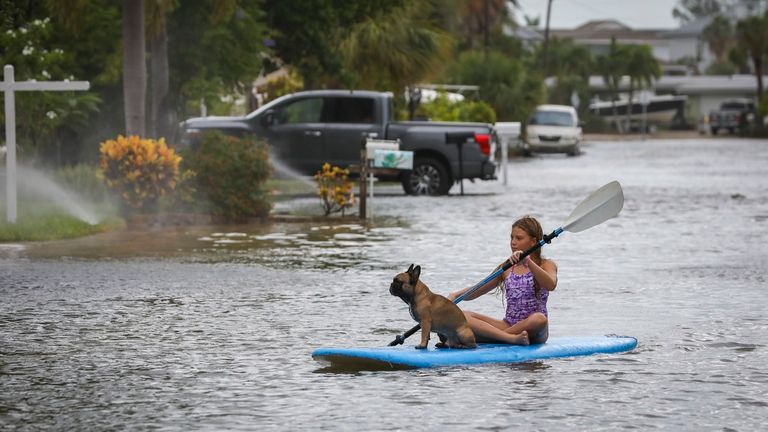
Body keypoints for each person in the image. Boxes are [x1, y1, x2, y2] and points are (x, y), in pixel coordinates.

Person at [447, 216, 557, 345]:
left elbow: (551, 284)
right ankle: (509, 338)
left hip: (535, 329)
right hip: (508, 325)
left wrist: (528, 262)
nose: (513, 242)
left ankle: (492, 337)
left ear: (533, 241)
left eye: (519, 238)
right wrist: (455, 295)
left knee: (539, 319)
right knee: (461, 315)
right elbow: (479, 289)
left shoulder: (546, 264)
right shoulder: (506, 267)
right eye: (512, 237)